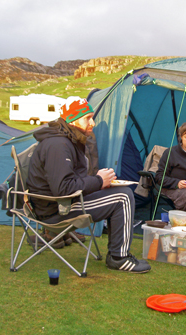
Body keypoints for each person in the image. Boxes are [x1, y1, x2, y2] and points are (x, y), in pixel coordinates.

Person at [26, 96, 151, 273]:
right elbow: (63, 189)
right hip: (57, 210)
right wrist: (99, 180)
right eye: (87, 118)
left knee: (121, 192)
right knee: (123, 197)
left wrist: (101, 185)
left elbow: (71, 182)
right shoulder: (58, 145)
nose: (92, 123)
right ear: (73, 119)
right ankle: (118, 257)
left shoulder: (68, 139)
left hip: (65, 203)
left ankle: (117, 253)